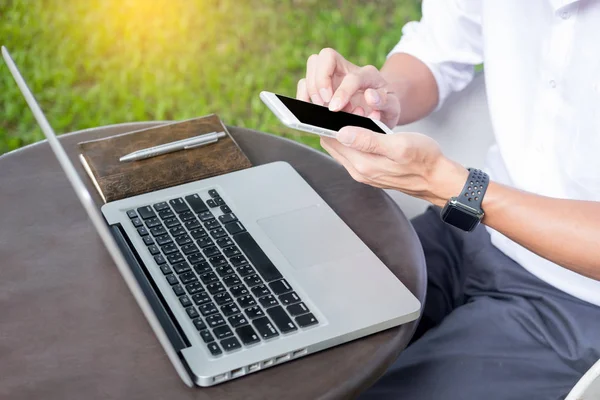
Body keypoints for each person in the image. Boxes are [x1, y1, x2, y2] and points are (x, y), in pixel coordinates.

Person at [297, 1, 600, 398]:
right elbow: (440, 45)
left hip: (576, 301)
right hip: (466, 231)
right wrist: (383, 96)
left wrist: (450, 185)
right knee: (290, 328)